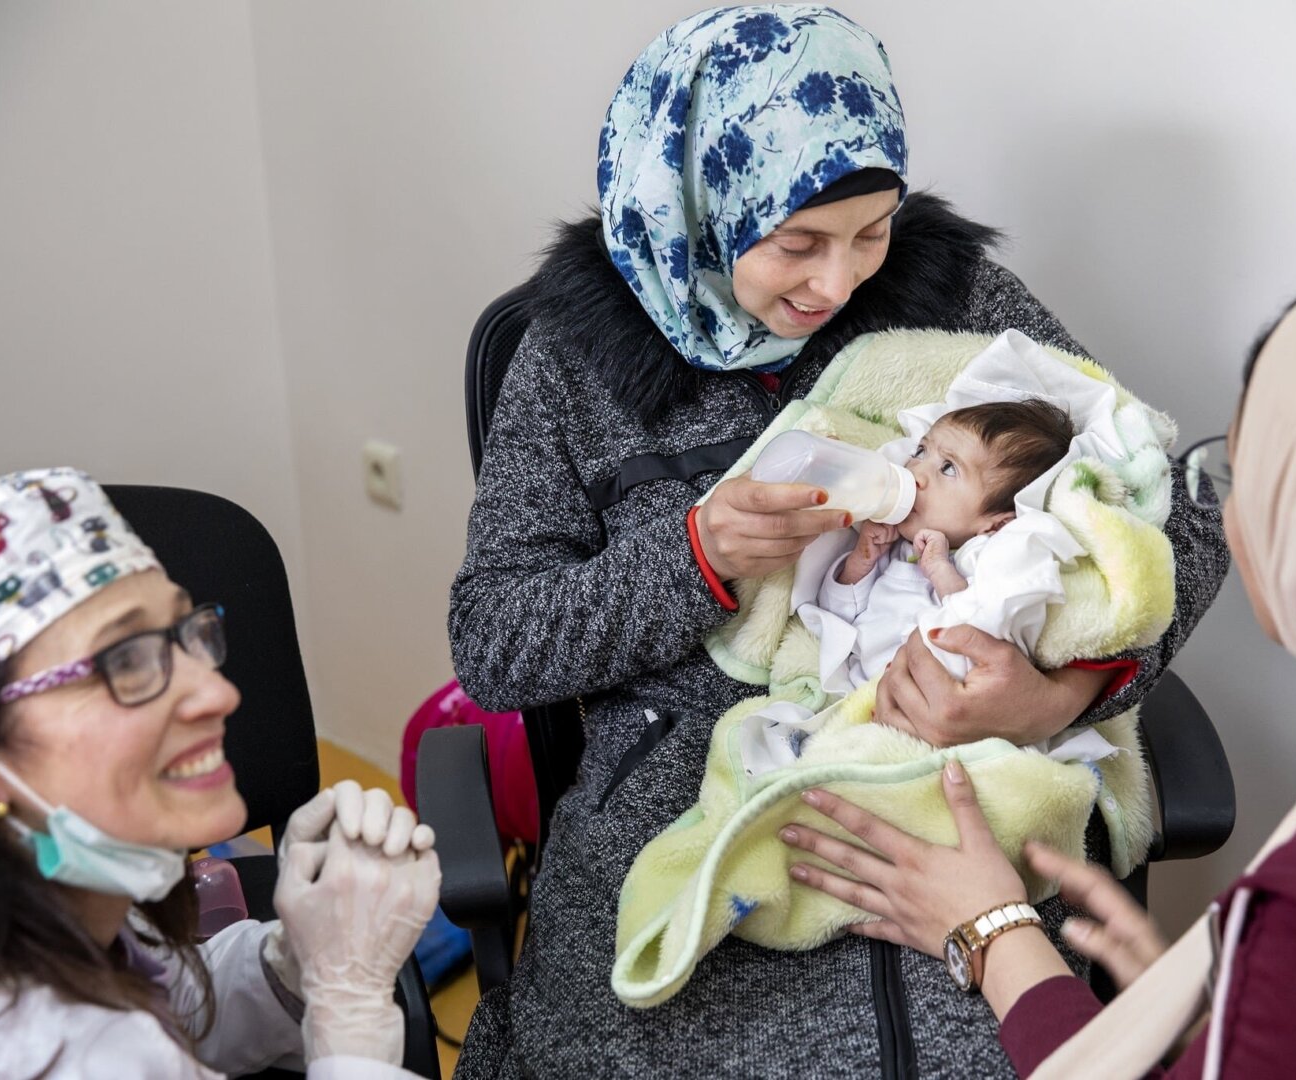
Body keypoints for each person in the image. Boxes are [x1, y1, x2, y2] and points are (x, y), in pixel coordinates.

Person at [448, 6, 1227, 1076]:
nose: (838, 285)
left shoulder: (960, 303)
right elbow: (495, 645)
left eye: (874, 232)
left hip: (938, 789)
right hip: (682, 812)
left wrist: (1064, 694)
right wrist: (697, 559)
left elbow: (1171, 502)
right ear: (700, 208)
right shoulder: (571, 362)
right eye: (798, 243)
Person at [781, 292, 1296, 1075]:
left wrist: (993, 930)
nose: (1229, 515)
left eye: (1244, 474)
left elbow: (1158, 542)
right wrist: (1199, 1016)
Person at [0, 467, 440, 1079]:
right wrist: (351, 1022)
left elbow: (167, 1005)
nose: (217, 692)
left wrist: (296, 961)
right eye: (125, 660)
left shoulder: (30, 904)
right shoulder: (40, 1058)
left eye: (183, 635)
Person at [820, 399, 1074, 690]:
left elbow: (981, 632)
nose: (916, 473)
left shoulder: (982, 561)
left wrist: (940, 571)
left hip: (930, 705)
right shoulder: (893, 545)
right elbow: (835, 620)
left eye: (948, 468)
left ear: (996, 524)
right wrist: (860, 562)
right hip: (859, 691)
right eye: (920, 451)